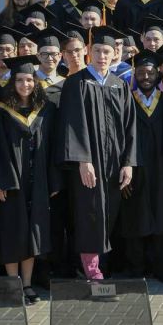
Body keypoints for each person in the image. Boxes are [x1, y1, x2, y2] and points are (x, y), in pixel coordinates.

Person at [57, 26, 137, 280]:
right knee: (89, 211)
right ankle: (91, 268)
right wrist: (83, 160)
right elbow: (72, 124)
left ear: (115, 54)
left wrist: (128, 162)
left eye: (107, 52)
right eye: (98, 51)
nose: (103, 56)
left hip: (114, 162)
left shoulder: (119, 85)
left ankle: (100, 263)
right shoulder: (76, 83)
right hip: (89, 163)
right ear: (89, 52)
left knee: (109, 211)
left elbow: (130, 125)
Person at [0, 55, 59, 304]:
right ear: (13, 83)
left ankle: (28, 284)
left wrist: (53, 181)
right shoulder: (1, 112)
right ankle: (13, 285)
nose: (25, 84)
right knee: (12, 231)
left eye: (29, 79)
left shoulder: (45, 110)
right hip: (11, 183)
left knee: (32, 233)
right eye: (20, 80)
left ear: (35, 82)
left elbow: (53, 147)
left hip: (37, 181)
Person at [120, 51, 163, 284]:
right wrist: (123, 169)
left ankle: (161, 267)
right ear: (134, 74)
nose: (146, 77)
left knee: (162, 218)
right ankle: (136, 267)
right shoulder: (126, 100)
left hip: (162, 169)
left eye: (150, 72)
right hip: (134, 169)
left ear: (158, 74)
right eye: (141, 72)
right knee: (135, 218)